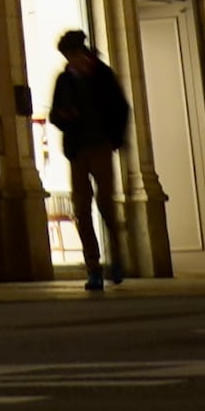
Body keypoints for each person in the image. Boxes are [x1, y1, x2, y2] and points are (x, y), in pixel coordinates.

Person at [47, 27, 132, 289]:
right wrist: (64, 116)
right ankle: (93, 267)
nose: (70, 61)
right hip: (78, 149)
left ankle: (117, 259)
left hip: (100, 146)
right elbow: (54, 114)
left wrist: (114, 139)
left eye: (71, 55)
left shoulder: (102, 76)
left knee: (106, 204)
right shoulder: (65, 80)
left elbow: (120, 108)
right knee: (82, 209)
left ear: (81, 52)